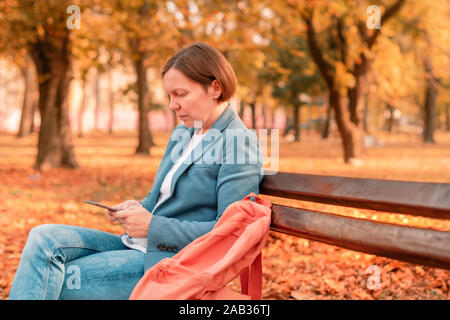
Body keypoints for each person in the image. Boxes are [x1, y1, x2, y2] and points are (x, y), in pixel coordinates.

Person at [9, 41, 264, 300]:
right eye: (169, 96)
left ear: (215, 88)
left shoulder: (236, 141)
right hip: (139, 246)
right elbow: (159, 198)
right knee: (42, 238)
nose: (172, 105)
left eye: (181, 94)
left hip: (175, 263)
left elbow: (231, 233)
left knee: (52, 280)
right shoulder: (183, 133)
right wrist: (137, 208)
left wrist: (153, 227)